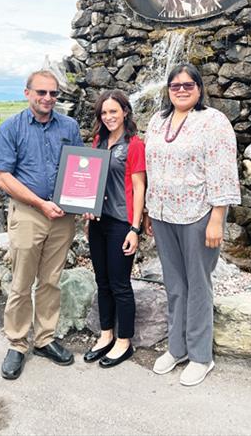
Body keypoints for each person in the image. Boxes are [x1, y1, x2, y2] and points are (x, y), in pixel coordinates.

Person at [144, 63, 240, 386]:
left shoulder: (213, 122)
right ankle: (177, 347)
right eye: (175, 85)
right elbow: (150, 167)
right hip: (162, 214)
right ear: (168, 90)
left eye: (188, 84)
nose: (181, 89)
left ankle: (201, 356)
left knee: (198, 284)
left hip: (199, 214)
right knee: (174, 284)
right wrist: (147, 210)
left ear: (199, 88)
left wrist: (217, 218)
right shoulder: (157, 122)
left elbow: (223, 170)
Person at [0, 69, 83, 379]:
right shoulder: (11, 128)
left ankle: (44, 339)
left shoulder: (68, 126)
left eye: (53, 93)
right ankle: (17, 343)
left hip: (63, 216)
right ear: (27, 93)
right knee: (21, 282)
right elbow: (2, 176)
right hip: (29, 214)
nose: (48, 98)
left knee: (51, 281)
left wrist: (84, 202)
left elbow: (82, 166)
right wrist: (41, 203)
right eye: (41, 92)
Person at [83, 89, 146, 368]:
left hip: (122, 222)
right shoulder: (99, 141)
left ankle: (124, 341)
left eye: (113, 111)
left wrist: (136, 228)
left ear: (125, 112)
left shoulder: (134, 145)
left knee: (120, 284)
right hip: (98, 222)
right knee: (102, 281)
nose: (108, 117)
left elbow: (139, 187)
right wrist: (85, 209)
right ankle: (106, 333)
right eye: (104, 112)